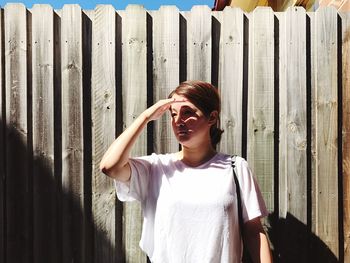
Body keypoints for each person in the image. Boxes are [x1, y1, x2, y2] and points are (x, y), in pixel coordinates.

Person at [100, 81, 273, 263]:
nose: (178, 121)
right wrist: (145, 117)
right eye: (173, 114)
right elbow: (110, 167)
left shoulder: (235, 168)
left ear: (212, 117)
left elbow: (254, 232)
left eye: (187, 113)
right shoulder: (156, 168)